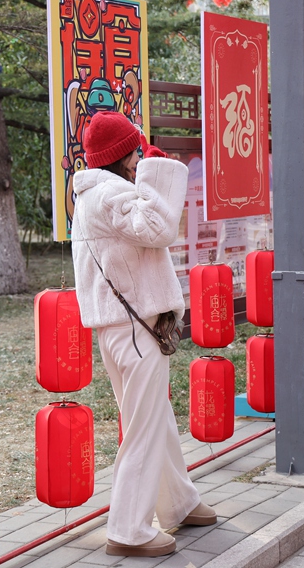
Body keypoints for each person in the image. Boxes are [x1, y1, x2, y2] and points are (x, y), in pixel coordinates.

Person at [70, 112, 215, 558]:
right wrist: (158, 173)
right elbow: (160, 228)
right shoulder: (112, 194)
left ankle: (179, 502)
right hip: (134, 327)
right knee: (144, 425)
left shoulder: (97, 193)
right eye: (135, 150)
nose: (139, 158)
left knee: (153, 418)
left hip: (123, 326)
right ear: (120, 156)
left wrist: (148, 174)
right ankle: (129, 528)